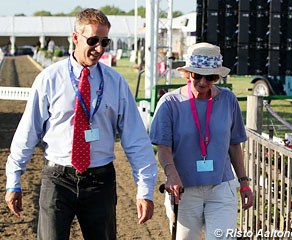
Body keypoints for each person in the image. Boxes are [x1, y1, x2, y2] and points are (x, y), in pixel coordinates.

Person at [5, 8, 157, 240]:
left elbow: (136, 139)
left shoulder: (115, 82)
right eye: (93, 40)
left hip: (100, 182)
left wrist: (145, 189)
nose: (99, 48)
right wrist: (14, 180)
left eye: (105, 41)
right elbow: (28, 132)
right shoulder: (49, 79)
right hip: (58, 180)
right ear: (75, 37)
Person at [150, 42, 254, 240]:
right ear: (188, 73)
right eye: (197, 75)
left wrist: (244, 183)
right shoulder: (170, 103)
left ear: (217, 77)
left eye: (211, 77)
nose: (203, 82)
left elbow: (234, 145)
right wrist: (171, 174)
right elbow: (163, 147)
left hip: (221, 188)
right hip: (184, 190)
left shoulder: (228, 100)